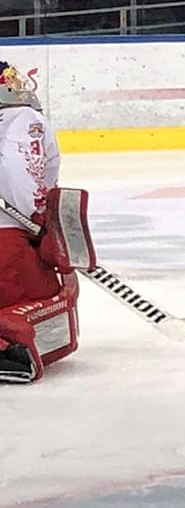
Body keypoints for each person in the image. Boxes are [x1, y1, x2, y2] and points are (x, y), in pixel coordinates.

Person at [0, 62, 80, 384]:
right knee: (44, 292)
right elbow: (23, 174)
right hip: (8, 243)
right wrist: (38, 219)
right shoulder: (24, 118)